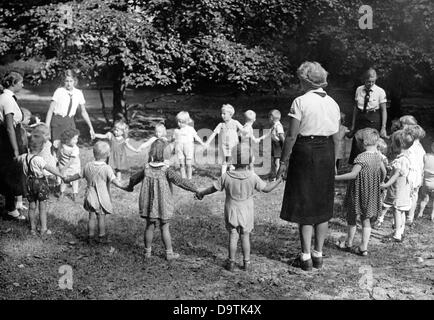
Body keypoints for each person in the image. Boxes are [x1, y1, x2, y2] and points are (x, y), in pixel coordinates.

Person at [277, 61, 340, 271]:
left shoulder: (300, 102)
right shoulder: (333, 103)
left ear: (305, 80)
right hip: (327, 152)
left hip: (305, 150)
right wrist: (335, 162)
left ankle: (305, 257)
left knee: (305, 203)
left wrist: (283, 161)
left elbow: (292, 135)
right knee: (322, 204)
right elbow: (336, 137)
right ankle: (318, 254)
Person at [196, 144, 281, 271]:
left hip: (231, 210)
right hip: (246, 212)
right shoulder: (252, 177)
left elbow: (212, 189)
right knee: (245, 236)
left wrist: (201, 193)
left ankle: (231, 262)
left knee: (233, 236)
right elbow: (267, 189)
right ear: (251, 160)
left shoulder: (226, 176)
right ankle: (246, 262)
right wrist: (279, 180)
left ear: (233, 160)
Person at [126, 138, 200, 261]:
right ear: (166, 154)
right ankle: (169, 253)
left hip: (149, 205)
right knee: (165, 227)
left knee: (149, 226)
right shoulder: (166, 170)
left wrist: (130, 187)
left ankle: (147, 252)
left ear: (151, 153)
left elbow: (133, 178)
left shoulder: (146, 168)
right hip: (163, 205)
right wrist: (195, 189)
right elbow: (180, 182)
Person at [63, 141, 127, 244]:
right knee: (101, 218)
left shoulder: (87, 166)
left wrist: (68, 179)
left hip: (90, 196)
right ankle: (101, 237)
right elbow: (115, 181)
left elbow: (77, 176)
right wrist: (124, 187)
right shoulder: (107, 168)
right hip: (101, 198)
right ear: (108, 154)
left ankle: (90, 237)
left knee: (91, 217)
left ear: (93, 153)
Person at [335, 128, 385, 256]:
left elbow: (353, 175)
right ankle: (364, 247)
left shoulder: (361, 157)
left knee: (352, 217)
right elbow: (384, 171)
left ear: (363, 143)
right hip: (372, 191)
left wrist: (335, 178)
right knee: (366, 219)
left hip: (358, 192)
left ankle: (349, 243)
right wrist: (380, 182)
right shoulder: (378, 157)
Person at [18, 135, 64, 236]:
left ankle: (32, 229)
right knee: (42, 208)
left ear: (29, 146)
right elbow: (49, 168)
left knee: (32, 206)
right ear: (41, 148)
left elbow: (15, 161)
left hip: (28, 184)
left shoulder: (23, 157)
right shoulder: (39, 159)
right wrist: (60, 175)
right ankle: (43, 229)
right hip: (40, 184)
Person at [0, 71, 28, 220]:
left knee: (8, 172)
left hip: (8, 135)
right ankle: (11, 208)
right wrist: (16, 149)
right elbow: (10, 127)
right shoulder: (8, 100)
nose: (23, 85)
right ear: (13, 83)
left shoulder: (5, 97)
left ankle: (13, 204)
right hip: (9, 138)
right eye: (21, 82)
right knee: (11, 172)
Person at [380, 130, 414, 242]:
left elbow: (396, 175)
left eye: (393, 143)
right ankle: (401, 231)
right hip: (404, 188)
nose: (391, 145)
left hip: (398, 189)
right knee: (401, 210)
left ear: (400, 145)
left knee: (397, 211)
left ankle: (397, 235)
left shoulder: (401, 160)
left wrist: (386, 184)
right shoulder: (405, 157)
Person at [348, 68, 388, 164]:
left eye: (373, 81)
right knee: (358, 143)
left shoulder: (380, 91)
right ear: (364, 80)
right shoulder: (359, 89)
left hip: (373, 119)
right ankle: (357, 168)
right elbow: (356, 108)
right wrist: (353, 125)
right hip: (361, 118)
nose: (370, 84)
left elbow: (383, 110)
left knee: (371, 144)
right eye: (368, 81)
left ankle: (372, 167)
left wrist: (383, 127)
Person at [45, 69, 95, 144]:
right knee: (57, 146)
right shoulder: (59, 91)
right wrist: (47, 127)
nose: (69, 84)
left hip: (70, 122)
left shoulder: (78, 93)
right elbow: (50, 110)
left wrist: (91, 127)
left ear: (75, 81)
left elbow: (84, 112)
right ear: (63, 81)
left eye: (71, 81)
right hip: (58, 122)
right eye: (66, 81)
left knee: (70, 146)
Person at [205, 104, 244, 175]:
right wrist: (207, 142)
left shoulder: (235, 123)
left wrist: (239, 133)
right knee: (224, 161)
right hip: (224, 146)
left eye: (224, 114)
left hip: (234, 145)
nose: (222, 115)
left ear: (230, 114)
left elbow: (244, 130)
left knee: (233, 162)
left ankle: (232, 176)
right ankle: (223, 177)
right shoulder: (221, 125)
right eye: (221, 114)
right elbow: (214, 133)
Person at [172, 111, 205, 179]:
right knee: (181, 164)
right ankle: (183, 178)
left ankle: (189, 178)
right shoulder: (176, 130)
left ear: (187, 122)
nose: (180, 124)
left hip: (188, 147)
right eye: (178, 121)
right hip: (179, 148)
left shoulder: (190, 129)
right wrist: (173, 148)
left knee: (188, 164)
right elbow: (174, 140)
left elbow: (196, 136)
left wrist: (202, 143)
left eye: (182, 122)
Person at [57, 128, 81, 201]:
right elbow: (56, 148)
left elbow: (71, 161)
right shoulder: (61, 144)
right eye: (74, 139)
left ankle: (74, 194)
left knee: (74, 180)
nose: (76, 141)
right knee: (64, 180)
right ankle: (61, 193)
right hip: (63, 165)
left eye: (76, 139)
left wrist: (64, 168)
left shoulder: (75, 149)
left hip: (73, 167)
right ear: (67, 140)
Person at [266, 109, 285, 180]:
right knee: (275, 161)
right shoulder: (274, 125)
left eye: (269, 117)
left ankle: (278, 177)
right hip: (274, 145)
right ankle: (276, 175)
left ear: (271, 117)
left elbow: (281, 136)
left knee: (277, 162)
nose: (268, 119)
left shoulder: (278, 126)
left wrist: (285, 145)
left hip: (278, 146)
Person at [417, 142, 434, 222]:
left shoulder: (426, 156)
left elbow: (422, 168)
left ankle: (420, 213)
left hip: (426, 182)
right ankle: (432, 215)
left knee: (424, 199)